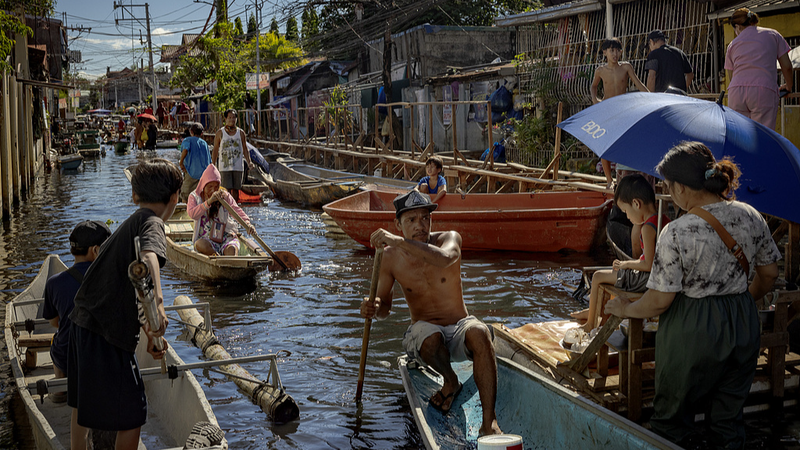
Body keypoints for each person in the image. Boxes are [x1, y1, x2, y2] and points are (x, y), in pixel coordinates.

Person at [604, 141, 780, 449]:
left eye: (669, 187)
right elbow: (769, 275)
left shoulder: (677, 231)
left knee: (672, 421)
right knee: (728, 421)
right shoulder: (750, 215)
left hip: (693, 328)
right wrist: (741, 301)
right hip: (743, 322)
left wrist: (625, 308)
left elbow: (660, 300)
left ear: (682, 188)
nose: (669, 193)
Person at [361, 190, 502, 436]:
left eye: (425, 218)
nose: (420, 225)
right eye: (411, 220)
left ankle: (489, 423)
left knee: (480, 331)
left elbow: (446, 259)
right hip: (426, 333)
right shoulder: (390, 257)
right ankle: (451, 381)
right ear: (397, 224)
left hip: (459, 327)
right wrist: (373, 307)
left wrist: (397, 240)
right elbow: (384, 310)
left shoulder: (449, 239)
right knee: (430, 337)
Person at [68, 159, 183, 450]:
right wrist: (158, 304)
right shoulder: (153, 223)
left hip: (83, 322)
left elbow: (129, 286)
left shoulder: (132, 222)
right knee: (132, 414)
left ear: (135, 196)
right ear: (175, 198)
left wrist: (148, 330)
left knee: (83, 404)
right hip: (104, 333)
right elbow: (148, 260)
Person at [570, 174, 668, 330]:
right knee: (608, 275)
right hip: (658, 276)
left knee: (597, 276)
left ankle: (590, 323)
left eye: (626, 211)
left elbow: (648, 263)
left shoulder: (648, 228)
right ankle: (594, 310)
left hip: (647, 278)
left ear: (636, 204)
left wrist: (626, 264)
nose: (628, 217)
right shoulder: (664, 219)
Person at [41, 220, 111, 402]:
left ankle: (60, 387)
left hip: (68, 358)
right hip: (103, 357)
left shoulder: (54, 283)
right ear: (95, 250)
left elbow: (54, 322)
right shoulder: (113, 280)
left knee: (57, 339)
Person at [590, 38, 649, 189]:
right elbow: (594, 87)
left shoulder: (626, 67)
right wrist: (596, 101)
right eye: (611, 51)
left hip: (623, 110)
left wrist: (650, 96)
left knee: (624, 142)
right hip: (607, 110)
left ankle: (624, 175)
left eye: (617, 50)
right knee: (605, 144)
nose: (615, 54)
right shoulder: (601, 70)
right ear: (605, 53)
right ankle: (609, 179)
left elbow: (638, 83)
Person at [725, 7, 793, 130]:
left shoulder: (732, 45)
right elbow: (787, 67)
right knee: (763, 136)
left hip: (736, 92)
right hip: (763, 90)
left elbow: (732, 75)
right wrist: (788, 86)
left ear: (738, 26)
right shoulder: (773, 35)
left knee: (740, 136)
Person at [186, 164, 256, 256]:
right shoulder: (195, 197)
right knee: (200, 245)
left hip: (225, 236)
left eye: (216, 187)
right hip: (206, 239)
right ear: (203, 185)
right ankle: (216, 255)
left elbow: (236, 211)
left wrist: (247, 223)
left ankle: (226, 259)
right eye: (209, 186)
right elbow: (192, 214)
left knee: (231, 251)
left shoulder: (224, 196)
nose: (213, 191)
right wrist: (209, 202)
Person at [212, 109, 253, 202]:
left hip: (238, 166)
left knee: (236, 189)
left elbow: (245, 149)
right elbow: (215, 150)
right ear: (225, 119)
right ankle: (226, 209)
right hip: (224, 167)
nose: (232, 119)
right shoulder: (220, 133)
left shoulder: (241, 133)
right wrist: (213, 164)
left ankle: (234, 208)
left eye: (234, 117)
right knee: (225, 189)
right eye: (229, 117)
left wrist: (249, 162)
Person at [179, 123, 212, 202]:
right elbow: (209, 160)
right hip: (203, 175)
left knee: (185, 195)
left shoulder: (187, 140)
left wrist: (181, 162)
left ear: (191, 131)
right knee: (200, 196)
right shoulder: (204, 143)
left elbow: (185, 150)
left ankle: (185, 212)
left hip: (191, 172)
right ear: (202, 133)